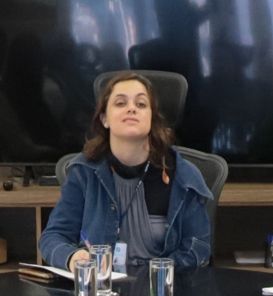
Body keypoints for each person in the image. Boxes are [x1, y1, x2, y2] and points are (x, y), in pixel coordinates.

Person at [38, 72, 214, 271]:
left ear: (152, 118)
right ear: (104, 119)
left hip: (163, 294)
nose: (131, 108)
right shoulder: (84, 172)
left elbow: (197, 248)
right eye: (121, 103)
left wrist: (155, 275)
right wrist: (71, 257)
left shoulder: (183, 175)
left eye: (141, 104)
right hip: (101, 293)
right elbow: (52, 237)